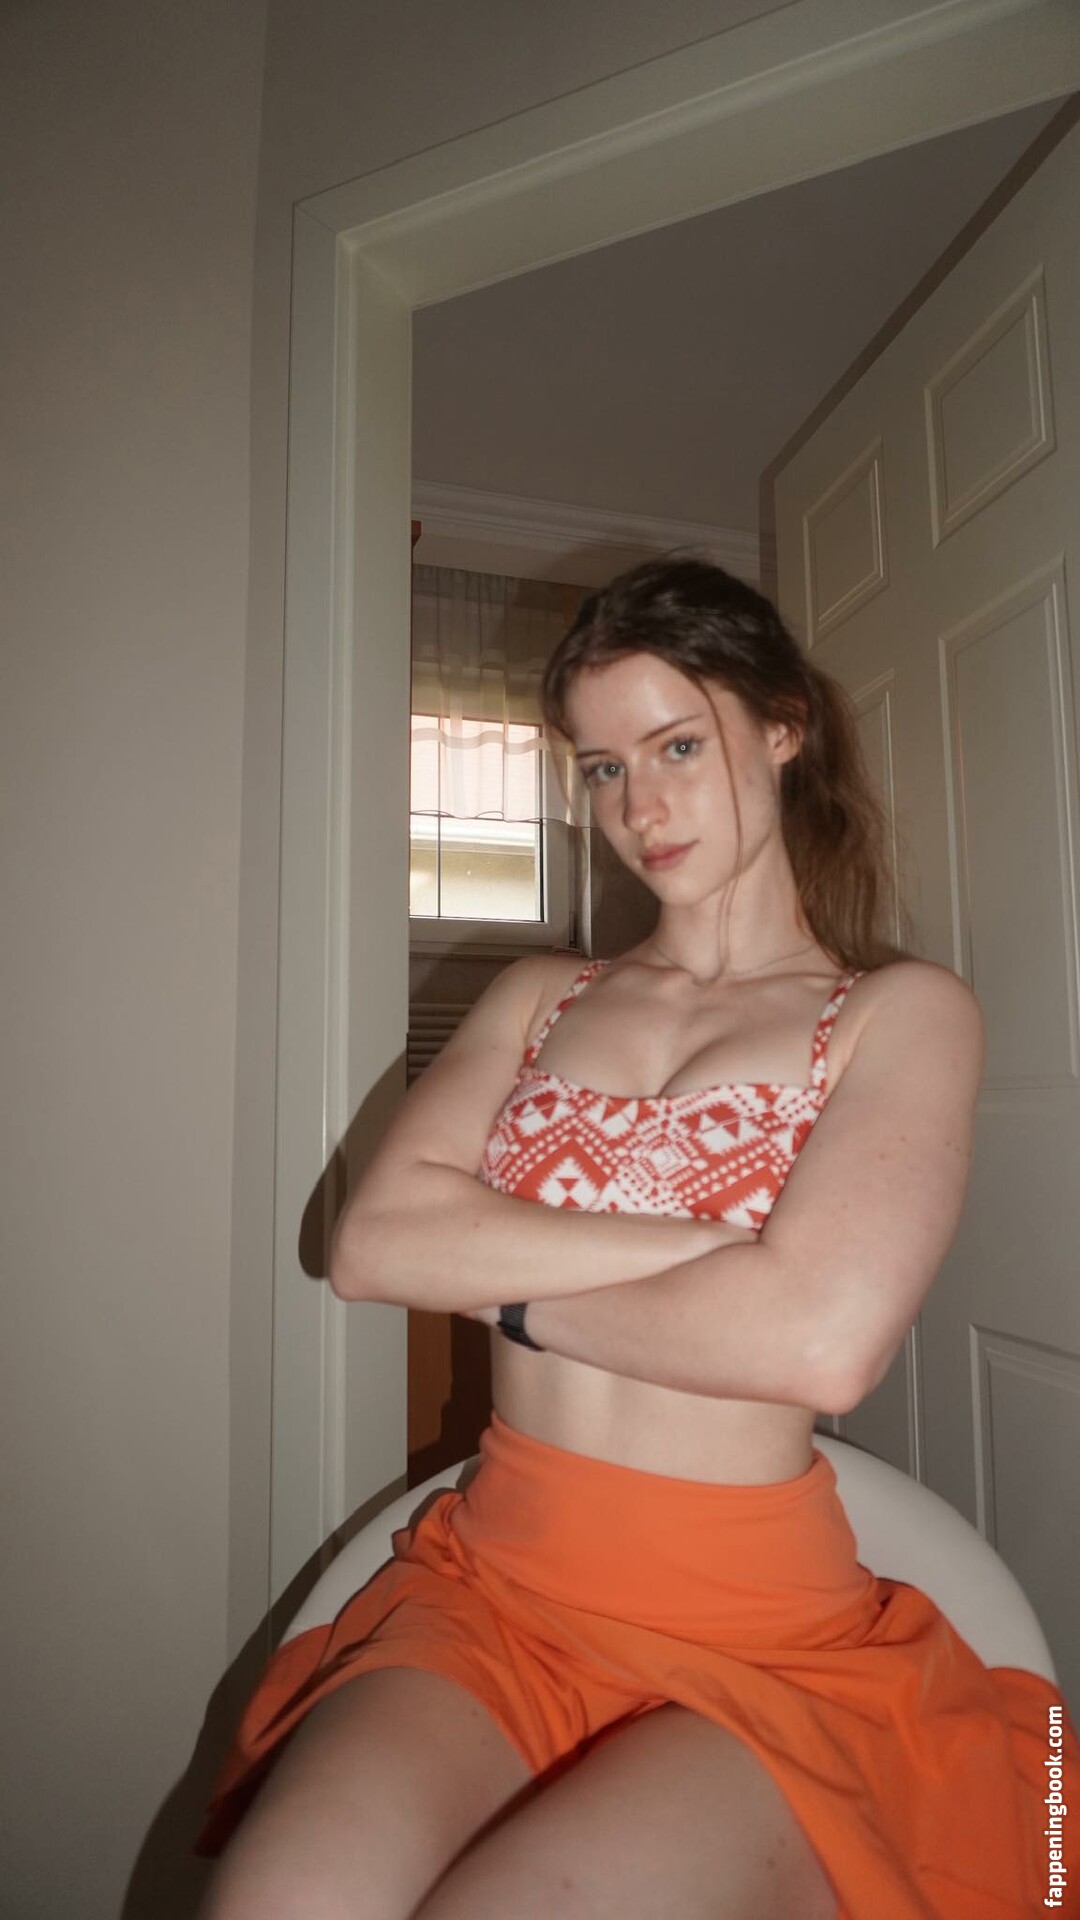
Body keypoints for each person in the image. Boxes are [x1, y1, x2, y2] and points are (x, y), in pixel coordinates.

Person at [195, 557, 1078, 1918]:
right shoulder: (539, 993)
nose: (638, 808)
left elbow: (821, 1345)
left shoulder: (897, 1015)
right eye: (603, 768)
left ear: (782, 727)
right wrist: (712, 1254)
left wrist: (509, 1290)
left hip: (754, 1634)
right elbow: (375, 1245)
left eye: (675, 746)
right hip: (493, 1592)